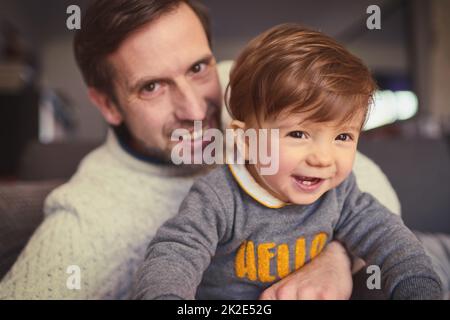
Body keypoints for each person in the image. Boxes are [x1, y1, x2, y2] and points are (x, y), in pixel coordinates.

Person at [0, 0, 407, 299]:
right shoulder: (89, 218)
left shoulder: (245, 89)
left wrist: (334, 261)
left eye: (197, 68)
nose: (196, 110)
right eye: (152, 86)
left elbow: (369, 187)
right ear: (107, 104)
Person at [132, 24, 443, 300]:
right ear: (246, 140)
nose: (323, 158)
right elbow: (175, 254)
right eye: (298, 134)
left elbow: (392, 241)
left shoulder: (341, 193)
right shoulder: (219, 197)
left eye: (343, 137)